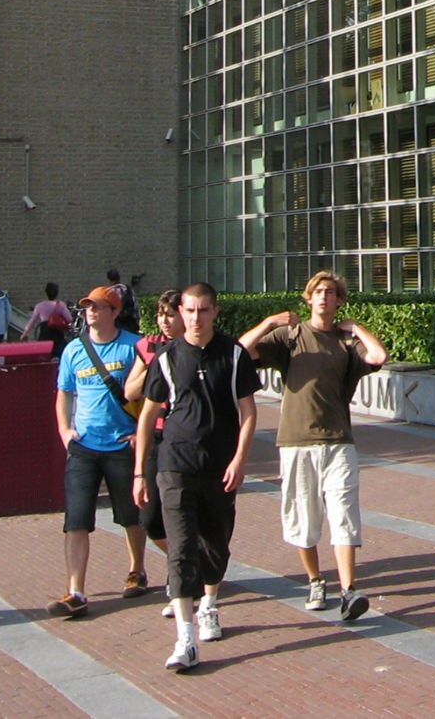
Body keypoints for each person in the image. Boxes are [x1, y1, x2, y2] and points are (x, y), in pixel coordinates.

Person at [240, 269, 387, 621]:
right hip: (296, 441)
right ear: (308, 298)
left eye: (331, 292)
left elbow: (378, 357)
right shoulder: (290, 337)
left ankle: (349, 591)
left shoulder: (345, 344)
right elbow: (241, 351)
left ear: (339, 300)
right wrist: (269, 321)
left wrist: (358, 329)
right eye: (317, 291)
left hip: (338, 441)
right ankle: (315, 579)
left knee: (344, 514)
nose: (323, 296)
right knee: (303, 517)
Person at [133, 281, 260, 672]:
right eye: (189, 310)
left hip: (219, 465)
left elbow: (249, 411)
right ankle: (185, 640)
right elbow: (147, 415)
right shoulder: (168, 356)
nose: (195, 317)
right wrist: (140, 472)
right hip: (175, 463)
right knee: (182, 546)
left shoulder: (234, 354)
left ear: (215, 313)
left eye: (203, 310)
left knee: (215, 544)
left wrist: (240, 457)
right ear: (181, 313)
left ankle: (210, 603)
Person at [47, 285, 148, 618]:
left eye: (98, 306)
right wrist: (65, 431)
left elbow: (152, 394)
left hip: (122, 443)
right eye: (87, 306)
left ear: (114, 312)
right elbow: (64, 393)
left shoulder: (134, 346)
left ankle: (137, 569)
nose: (90, 311)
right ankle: (76, 590)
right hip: (84, 447)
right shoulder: (74, 350)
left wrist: (140, 434)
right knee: (75, 520)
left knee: (130, 515)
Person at [124, 288, 185, 612]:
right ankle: (186, 559)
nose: (164, 321)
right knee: (149, 517)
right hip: (153, 437)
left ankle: (182, 574)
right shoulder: (147, 346)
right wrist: (156, 366)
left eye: (170, 314)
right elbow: (130, 389)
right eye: (161, 314)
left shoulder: (192, 348)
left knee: (181, 511)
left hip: (182, 439)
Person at [20, 281, 73, 351]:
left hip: (44, 332)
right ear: (57, 293)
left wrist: (24, 334)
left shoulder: (39, 306)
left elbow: (32, 322)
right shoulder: (61, 305)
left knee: (44, 353)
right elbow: (69, 319)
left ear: (46, 292)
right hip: (57, 333)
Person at [107, 266, 140, 333]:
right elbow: (136, 305)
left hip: (116, 323)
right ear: (119, 278)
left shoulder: (108, 292)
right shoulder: (128, 289)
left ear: (109, 280)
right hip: (130, 321)